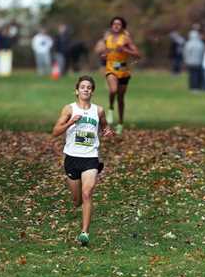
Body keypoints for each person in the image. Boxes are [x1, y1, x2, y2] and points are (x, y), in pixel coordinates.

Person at [52, 75, 114, 246]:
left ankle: (84, 233)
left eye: (89, 87)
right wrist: (70, 122)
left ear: (92, 91)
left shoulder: (98, 110)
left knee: (87, 193)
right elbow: (55, 131)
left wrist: (107, 132)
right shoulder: (69, 109)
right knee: (77, 199)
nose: (86, 89)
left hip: (90, 157)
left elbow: (104, 127)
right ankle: (78, 201)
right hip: (72, 158)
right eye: (83, 87)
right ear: (77, 90)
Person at [98, 17, 140, 135]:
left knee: (121, 99)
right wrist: (104, 55)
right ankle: (111, 108)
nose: (116, 26)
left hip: (123, 71)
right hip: (111, 69)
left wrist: (126, 50)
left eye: (119, 24)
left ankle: (120, 123)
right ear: (111, 26)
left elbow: (138, 54)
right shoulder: (108, 38)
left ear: (122, 27)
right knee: (113, 90)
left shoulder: (126, 39)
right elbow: (106, 52)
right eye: (114, 24)